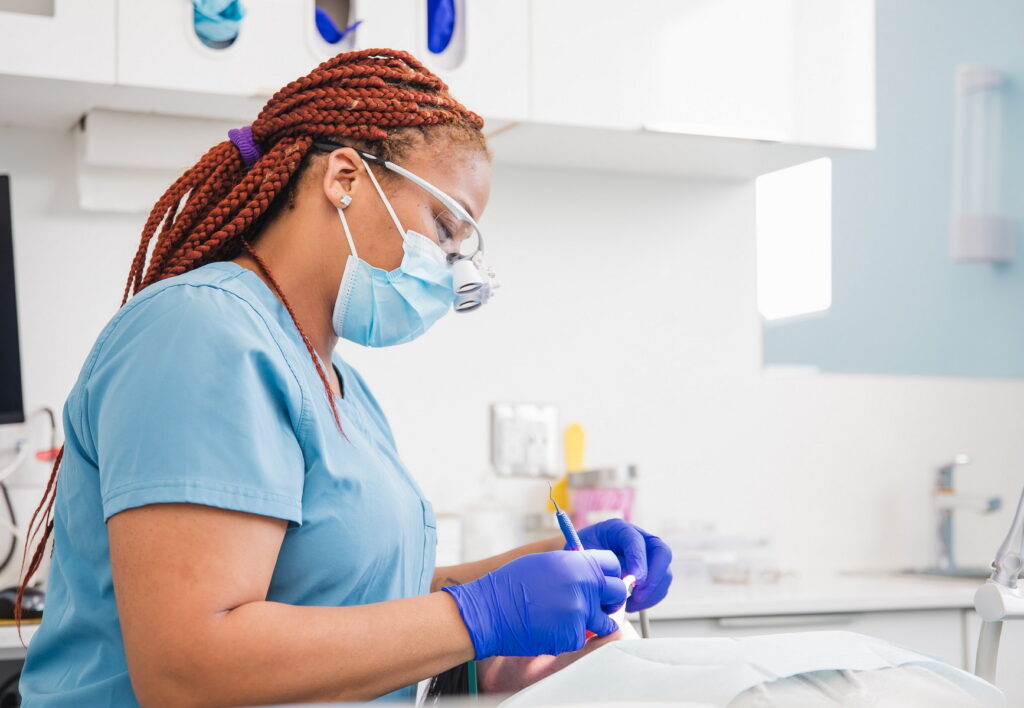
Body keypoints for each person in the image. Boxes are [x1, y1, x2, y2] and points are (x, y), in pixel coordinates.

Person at [15, 49, 672, 706]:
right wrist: (480, 615)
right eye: (445, 230)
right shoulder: (199, 332)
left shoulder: (341, 387)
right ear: (346, 177)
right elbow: (190, 667)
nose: (453, 273)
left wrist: (542, 570)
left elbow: (359, 599)